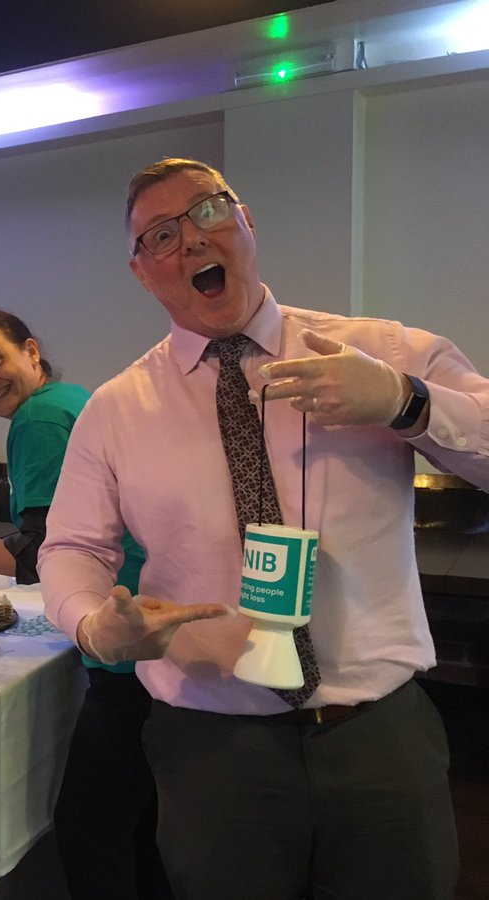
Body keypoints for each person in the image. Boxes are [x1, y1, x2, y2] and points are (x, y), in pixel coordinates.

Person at [39, 157, 489, 899]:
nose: (189, 242)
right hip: (211, 745)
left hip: (378, 735)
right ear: (142, 272)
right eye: (160, 236)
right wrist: (92, 626)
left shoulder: (385, 352)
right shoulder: (115, 410)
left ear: (247, 222)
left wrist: (407, 402)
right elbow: (72, 548)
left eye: (207, 212)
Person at [0, 308, 171, 900]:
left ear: (30, 352)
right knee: (142, 822)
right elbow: (31, 491)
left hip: (122, 642)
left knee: (90, 831)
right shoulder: (65, 399)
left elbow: (43, 547)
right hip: (150, 627)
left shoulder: (39, 418)